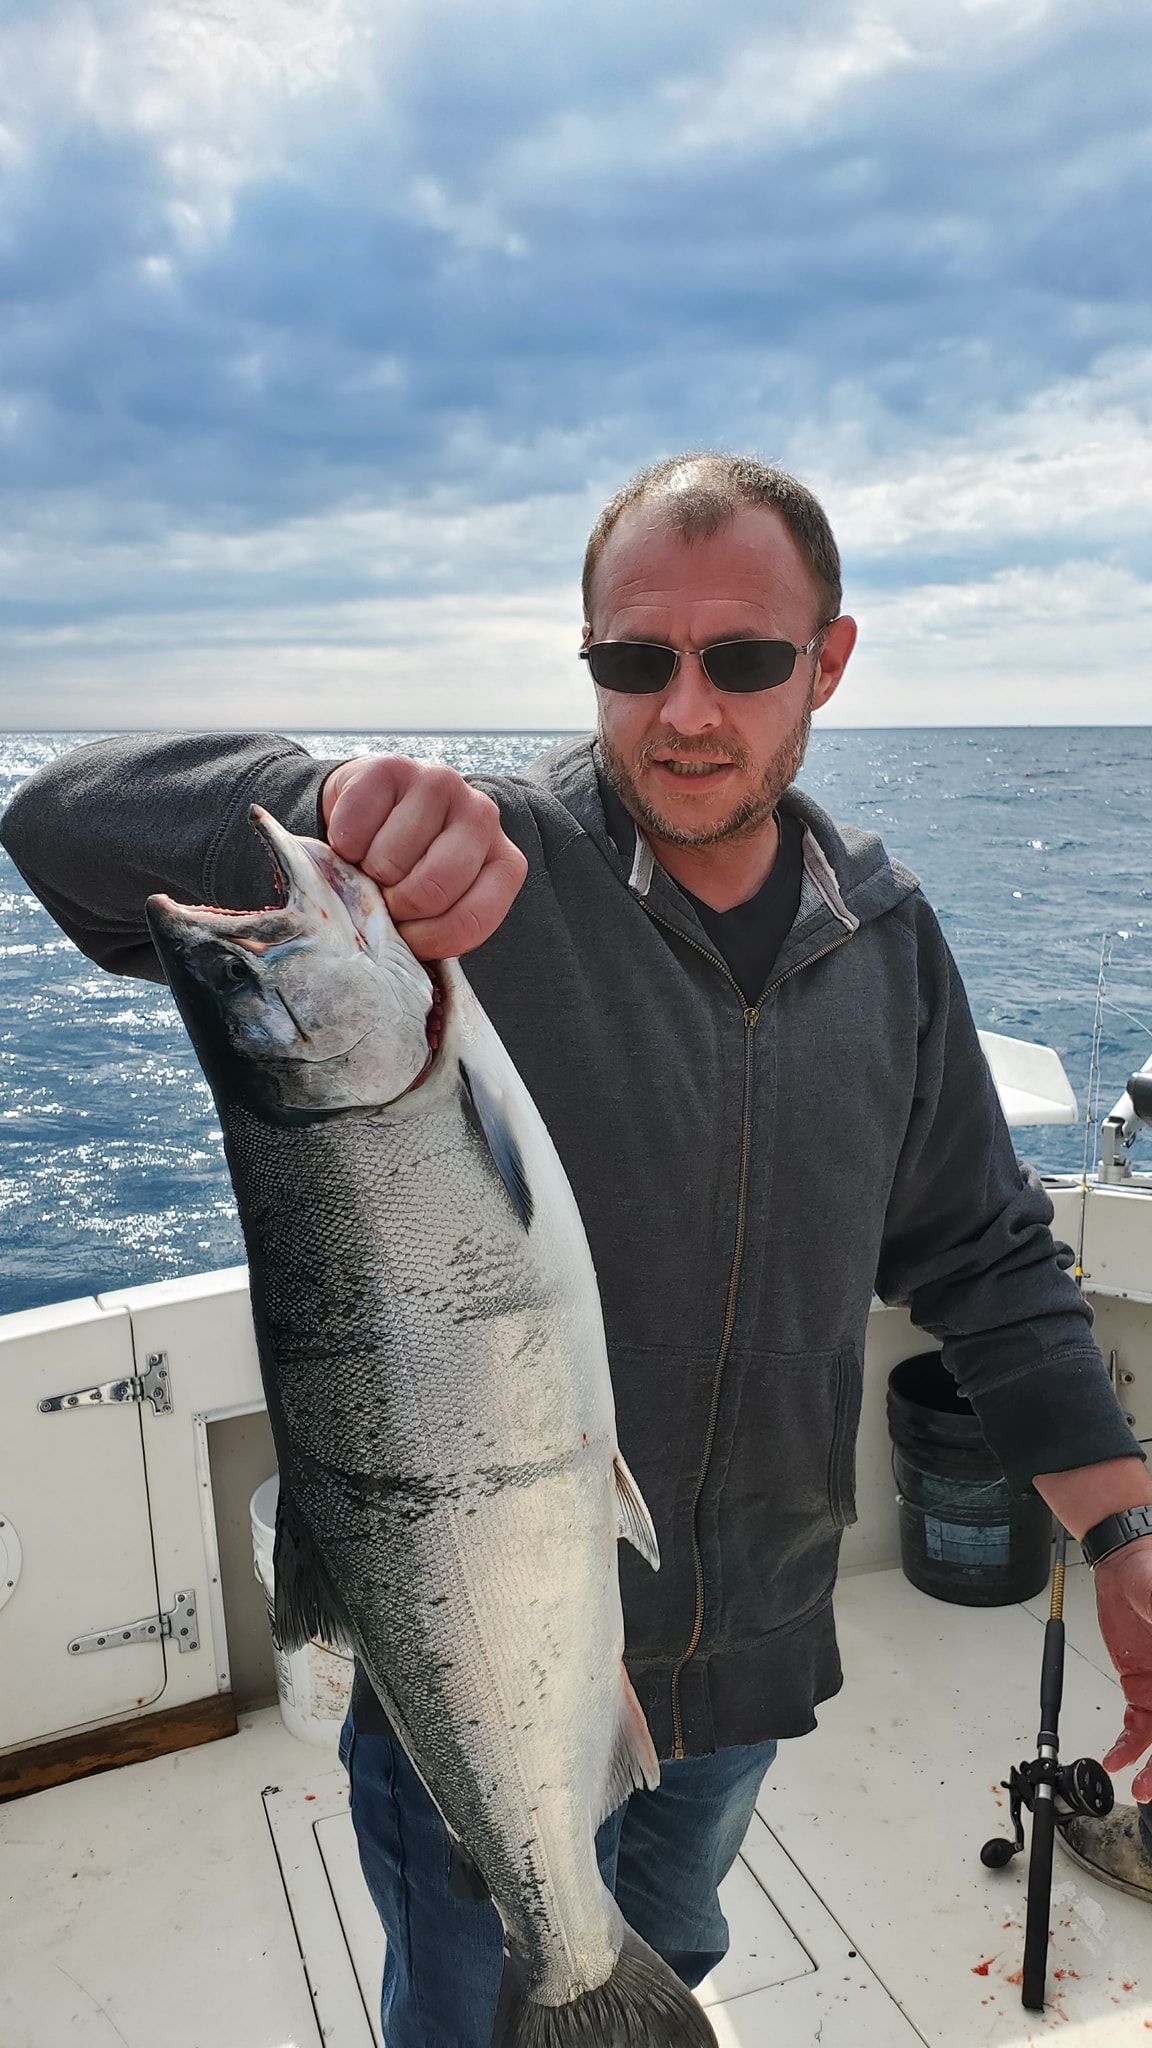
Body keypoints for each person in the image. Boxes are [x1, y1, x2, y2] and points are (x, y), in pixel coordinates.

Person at [4, 451, 1152, 2041]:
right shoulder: (470, 886)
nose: (683, 710)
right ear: (591, 660)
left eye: (743, 658)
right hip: (464, 1680)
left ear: (829, 660)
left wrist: (1120, 1533)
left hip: (747, 1643)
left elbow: (987, 1258)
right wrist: (329, 803)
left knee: (663, 1957)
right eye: (633, 661)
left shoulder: (886, 938)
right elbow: (58, 824)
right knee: (477, 2002)